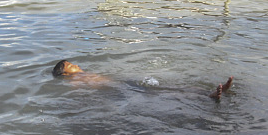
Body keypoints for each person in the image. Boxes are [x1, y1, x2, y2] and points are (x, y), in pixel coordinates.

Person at [52, 60, 233, 99]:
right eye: (70, 65)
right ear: (66, 73)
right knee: (164, 91)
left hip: (124, 84)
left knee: (169, 87)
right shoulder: (75, 80)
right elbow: (81, 94)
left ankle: (207, 92)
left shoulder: (82, 74)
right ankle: (208, 96)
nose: (75, 64)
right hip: (121, 89)